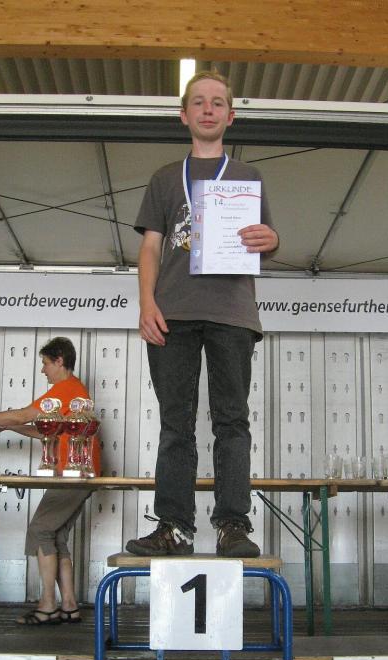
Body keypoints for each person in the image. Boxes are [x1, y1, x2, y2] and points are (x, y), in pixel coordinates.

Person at [126, 70, 279, 559]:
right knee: (176, 424)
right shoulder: (164, 178)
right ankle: (174, 527)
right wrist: (147, 303)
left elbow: (263, 238)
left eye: (217, 102)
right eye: (198, 102)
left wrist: (273, 239)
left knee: (232, 422)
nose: (208, 109)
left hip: (232, 312)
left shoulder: (249, 177)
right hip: (172, 314)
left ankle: (233, 525)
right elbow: (150, 247)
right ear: (184, 115)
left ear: (230, 116)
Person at [0, 336, 100, 625]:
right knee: (56, 535)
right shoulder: (74, 391)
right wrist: (5, 427)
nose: (43, 370)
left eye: (45, 363)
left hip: (72, 474)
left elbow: (23, 414)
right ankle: (69, 605)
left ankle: (47, 605)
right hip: (82, 474)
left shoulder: (65, 390)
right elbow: (45, 430)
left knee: (40, 530)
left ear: (59, 360)